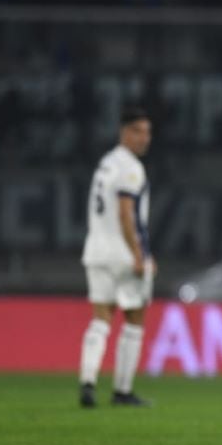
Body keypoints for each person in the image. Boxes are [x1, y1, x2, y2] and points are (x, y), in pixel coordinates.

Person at [78, 106, 154, 408]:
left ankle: (87, 382)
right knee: (134, 320)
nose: (144, 138)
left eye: (148, 132)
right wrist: (140, 254)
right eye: (138, 131)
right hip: (123, 254)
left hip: (96, 251)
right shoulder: (131, 167)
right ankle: (122, 390)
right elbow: (127, 213)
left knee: (100, 320)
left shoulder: (106, 163)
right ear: (124, 132)